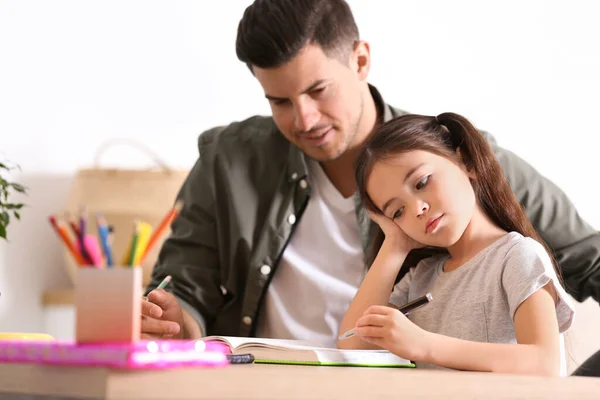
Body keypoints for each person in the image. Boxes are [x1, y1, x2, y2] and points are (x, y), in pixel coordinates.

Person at [141, 0, 599, 344]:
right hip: (257, 383)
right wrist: (174, 318)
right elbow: (184, 286)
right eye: (279, 101)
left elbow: (589, 259)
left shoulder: (448, 162)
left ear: (360, 60)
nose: (304, 119)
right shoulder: (227, 158)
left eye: (319, 90)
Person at [337, 112, 574, 375]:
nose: (417, 208)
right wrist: (394, 244)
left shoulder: (517, 256)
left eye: (422, 182)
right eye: (397, 212)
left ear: (467, 162)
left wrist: (425, 345)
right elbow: (351, 347)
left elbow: (544, 363)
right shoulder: (421, 277)